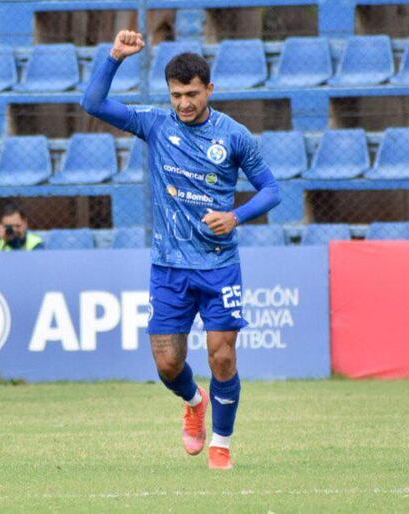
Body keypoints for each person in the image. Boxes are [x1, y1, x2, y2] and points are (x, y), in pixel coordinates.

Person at [81, 30, 281, 470]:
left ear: (210, 89)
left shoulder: (234, 136)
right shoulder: (155, 124)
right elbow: (93, 105)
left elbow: (272, 189)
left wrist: (236, 216)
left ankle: (222, 444)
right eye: (176, 95)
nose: (184, 103)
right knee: (169, 363)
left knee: (222, 355)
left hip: (218, 265)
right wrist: (114, 56)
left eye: (192, 93)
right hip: (168, 267)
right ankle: (194, 401)